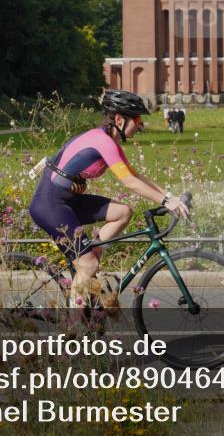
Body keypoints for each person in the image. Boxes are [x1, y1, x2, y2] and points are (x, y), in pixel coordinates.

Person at [28, 90, 190, 307]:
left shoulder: (110, 142)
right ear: (120, 120)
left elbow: (135, 175)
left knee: (123, 212)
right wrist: (165, 202)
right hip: (50, 203)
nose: (140, 124)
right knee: (87, 265)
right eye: (137, 119)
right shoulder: (103, 142)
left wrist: (170, 197)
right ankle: (73, 331)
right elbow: (129, 183)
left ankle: (90, 260)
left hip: (68, 201)